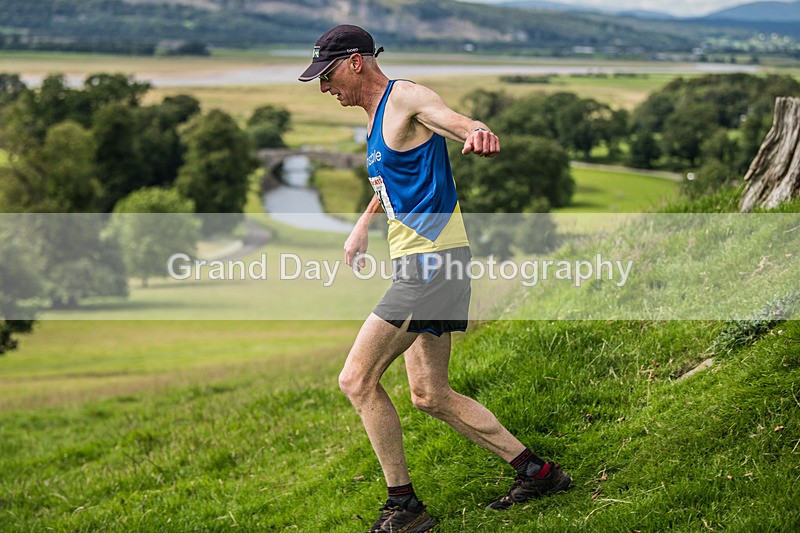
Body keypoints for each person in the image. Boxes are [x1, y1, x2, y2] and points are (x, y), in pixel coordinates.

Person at [299, 24, 571, 532]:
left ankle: (404, 508)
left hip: (432, 264)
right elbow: (390, 183)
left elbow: (453, 120)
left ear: (356, 62)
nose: (323, 86)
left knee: (356, 379)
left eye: (328, 74)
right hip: (424, 264)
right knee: (429, 394)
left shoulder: (405, 98)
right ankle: (538, 472)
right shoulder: (375, 119)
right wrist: (361, 227)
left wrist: (478, 132)